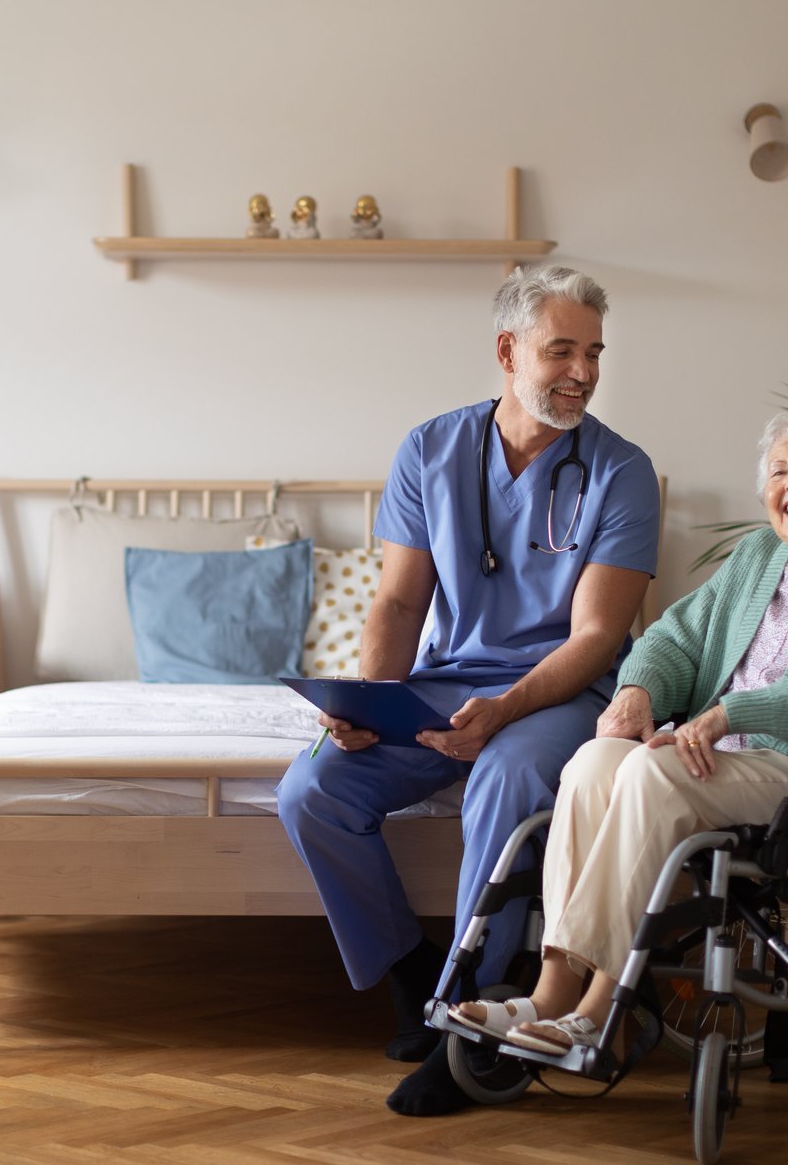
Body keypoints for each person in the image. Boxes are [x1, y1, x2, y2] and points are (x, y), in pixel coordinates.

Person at [445, 403, 788, 1087]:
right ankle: (554, 988)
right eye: (777, 470)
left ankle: (601, 1011)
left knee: (654, 774)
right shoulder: (759, 557)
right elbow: (671, 637)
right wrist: (639, 693)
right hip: (714, 758)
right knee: (593, 762)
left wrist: (734, 709)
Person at [275, 265, 661, 1115]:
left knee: (509, 778)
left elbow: (598, 636)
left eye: (594, 353)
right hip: (448, 682)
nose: (584, 373)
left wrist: (507, 712)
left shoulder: (621, 472)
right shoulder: (430, 449)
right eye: (562, 350)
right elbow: (400, 600)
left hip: (565, 694)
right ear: (507, 350)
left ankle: (469, 1023)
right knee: (312, 788)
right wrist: (366, 704)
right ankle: (411, 969)